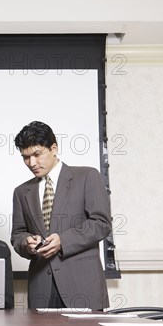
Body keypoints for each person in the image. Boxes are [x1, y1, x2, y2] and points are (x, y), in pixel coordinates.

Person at [11, 121, 112, 310]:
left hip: (83, 287)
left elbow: (102, 223)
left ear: (54, 148)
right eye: (25, 157)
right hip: (42, 288)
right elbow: (17, 234)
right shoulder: (21, 192)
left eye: (37, 154)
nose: (31, 163)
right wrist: (27, 243)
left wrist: (63, 241)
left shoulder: (87, 176)